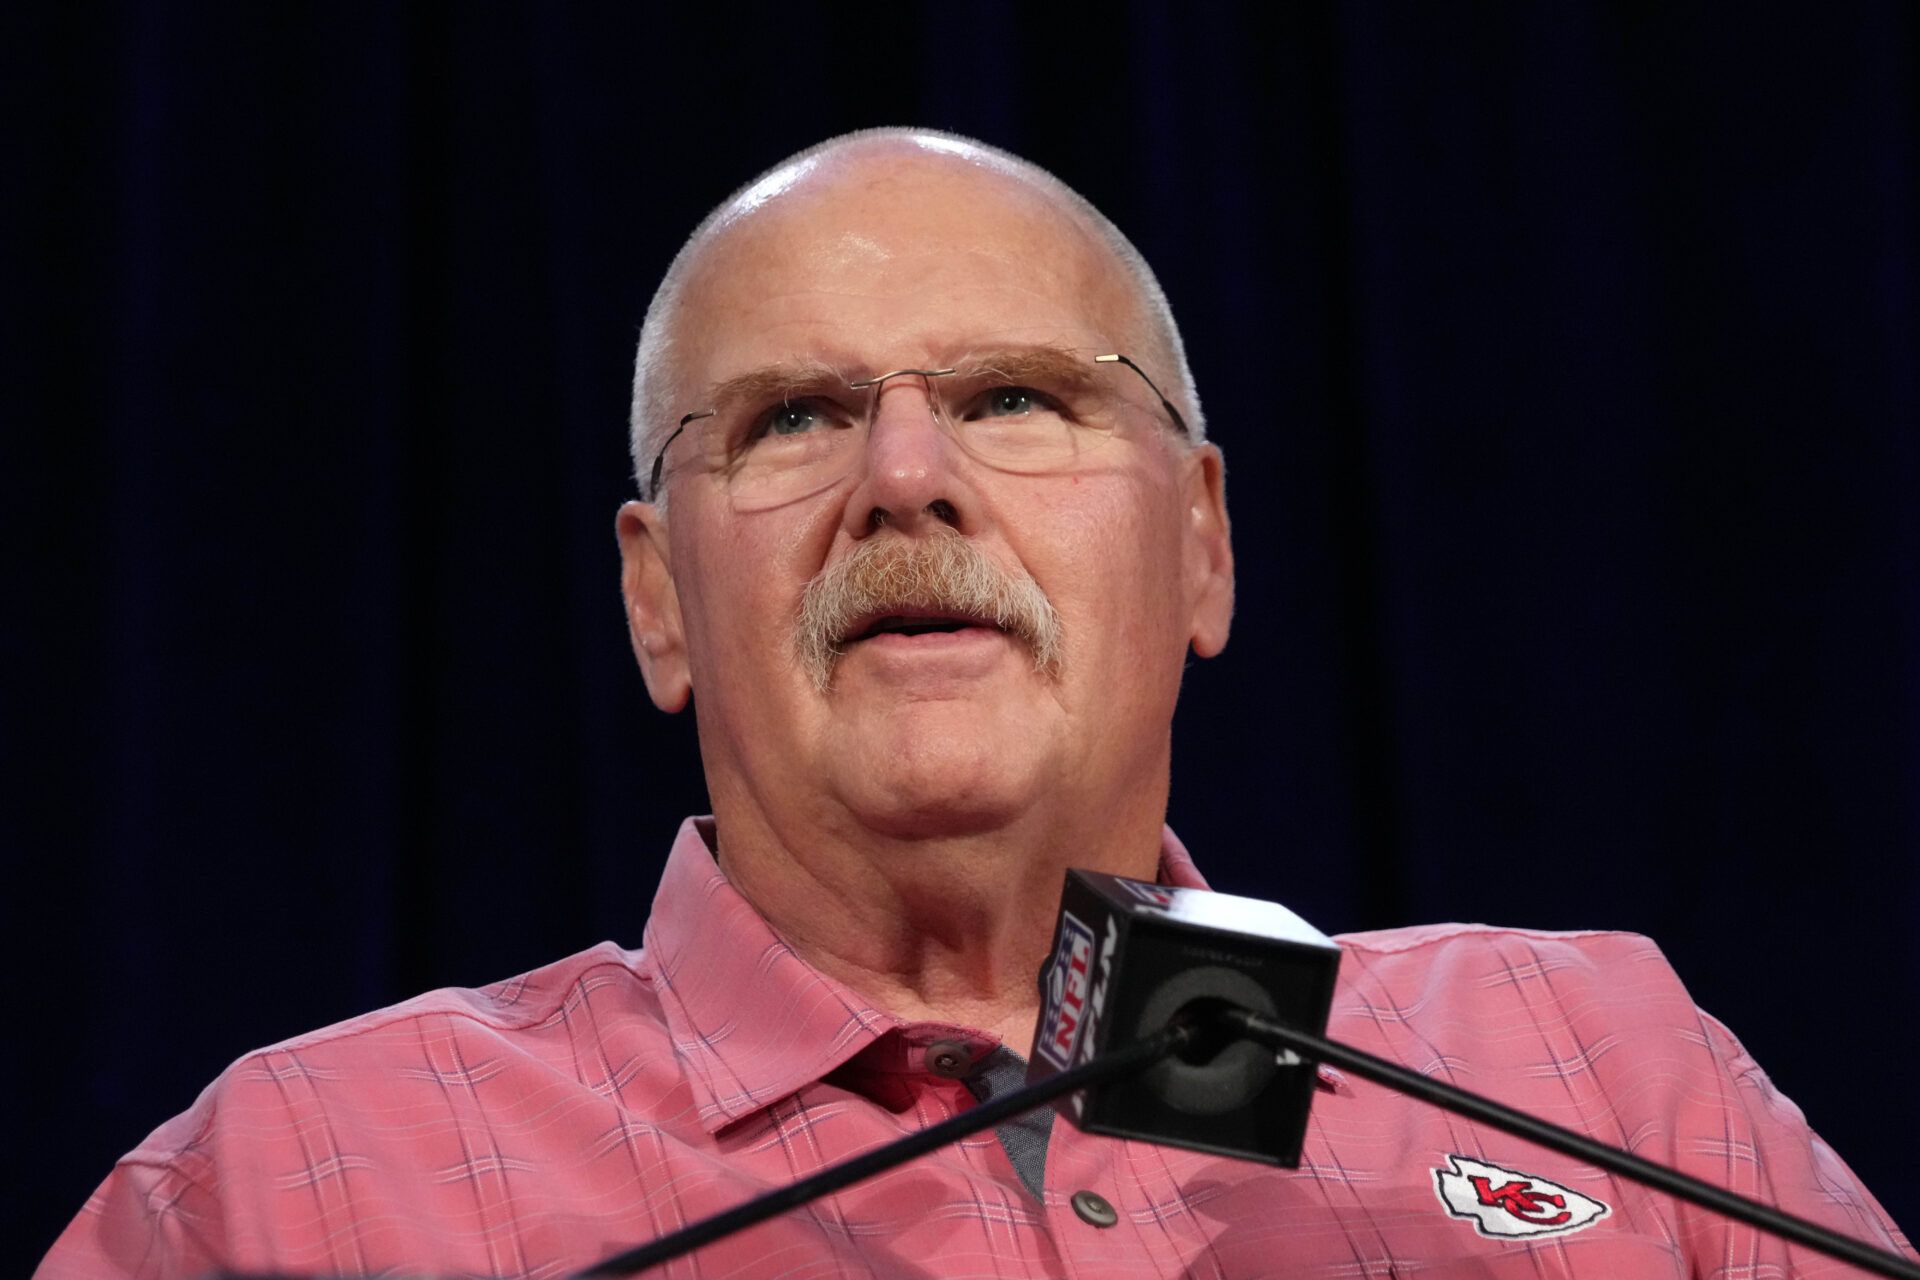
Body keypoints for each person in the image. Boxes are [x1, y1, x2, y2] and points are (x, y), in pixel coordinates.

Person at [40, 128, 1912, 1279]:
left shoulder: (1593, 1075)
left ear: (1200, 546)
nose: (909, 476)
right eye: (791, 419)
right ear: (652, 599)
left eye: (1017, 398)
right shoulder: (297, 1187)